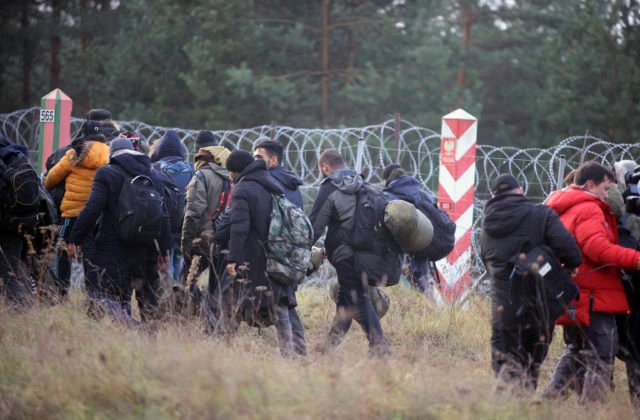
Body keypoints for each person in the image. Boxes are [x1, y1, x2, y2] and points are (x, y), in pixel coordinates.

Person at [542, 161, 640, 404]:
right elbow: (597, 248)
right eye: (605, 189)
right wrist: (635, 259)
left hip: (577, 291)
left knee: (578, 350)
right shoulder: (589, 208)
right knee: (602, 353)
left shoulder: (566, 205)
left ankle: (549, 400)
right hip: (594, 293)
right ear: (590, 185)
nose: (607, 195)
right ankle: (593, 410)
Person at [479, 174, 581, 392]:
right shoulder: (541, 214)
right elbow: (570, 251)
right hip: (537, 306)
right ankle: (522, 405)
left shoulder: (487, 223)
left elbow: (486, 259)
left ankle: (507, 407)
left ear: (494, 196)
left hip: (503, 309)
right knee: (530, 369)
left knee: (505, 373)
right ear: (521, 190)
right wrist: (569, 266)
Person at [67, 138, 170, 324]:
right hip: (147, 249)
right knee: (148, 302)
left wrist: (74, 238)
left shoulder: (106, 173)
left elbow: (92, 209)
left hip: (113, 248)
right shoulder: (153, 175)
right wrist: (164, 250)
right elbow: (163, 216)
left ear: (112, 154)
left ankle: (129, 327)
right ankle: (150, 334)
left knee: (106, 294)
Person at [309, 149, 391, 356]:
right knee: (346, 299)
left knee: (359, 299)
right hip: (367, 254)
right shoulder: (363, 184)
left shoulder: (330, 187)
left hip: (345, 254)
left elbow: (315, 225)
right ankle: (330, 344)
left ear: (325, 167)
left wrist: (302, 247)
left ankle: (380, 346)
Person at [224, 150, 297, 356]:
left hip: (252, 256)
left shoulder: (242, 189)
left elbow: (239, 228)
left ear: (237, 171)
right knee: (279, 306)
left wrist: (233, 259)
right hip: (276, 254)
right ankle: (289, 354)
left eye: (231, 172)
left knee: (235, 302)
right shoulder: (272, 184)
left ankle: (221, 349)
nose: (230, 176)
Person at [253, 138, 307, 356]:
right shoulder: (292, 185)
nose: (255, 161)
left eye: (259, 157)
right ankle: (299, 351)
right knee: (286, 302)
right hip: (291, 252)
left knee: (281, 304)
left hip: (273, 251)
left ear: (273, 160)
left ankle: (292, 354)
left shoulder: (269, 183)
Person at [44, 120, 109, 296]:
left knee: (63, 249)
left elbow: (52, 177)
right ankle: (92, 293)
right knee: (91, 254)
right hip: (95, 214)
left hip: (71, 213)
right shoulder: (107, 153)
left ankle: (62, 289)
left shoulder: (75, 153)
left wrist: (47, 189)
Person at [181, 144, 231, 294]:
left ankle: (195, 306)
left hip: (201, 240)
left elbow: (193, 212)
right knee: (216, 286)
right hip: (224, 237)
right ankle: (213, 308)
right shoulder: (231, 178)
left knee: (188, 282)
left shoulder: (201, 176)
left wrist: (186, 243)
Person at [0, 135, 41, 306]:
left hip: (5, 221)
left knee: (7, 274)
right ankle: (26, 305)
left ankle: (22, 308)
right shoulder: (15, 154)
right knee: (13, 269)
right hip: (21, 221)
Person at [382, 163, 436, 293]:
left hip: (398, 253)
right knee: (421, 288)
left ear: (387, 179)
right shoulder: (422, 195)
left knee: (397, 291)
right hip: (422, 249)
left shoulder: (388, 197)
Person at [151, 130, 194, 283]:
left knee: (165, 260)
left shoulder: (155, 168)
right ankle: (176, 292)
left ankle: (167, 293)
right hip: (185, 224)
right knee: (178, 258)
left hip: (164, 225)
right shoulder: (192, 169)